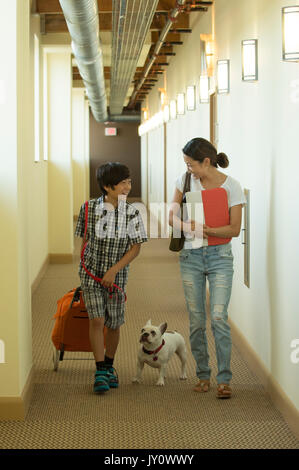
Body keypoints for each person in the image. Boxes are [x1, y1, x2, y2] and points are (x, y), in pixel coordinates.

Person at [169, 138, 246, 399]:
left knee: (218, 318)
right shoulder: (185, 181)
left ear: (206, 161)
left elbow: (234, 229)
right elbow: (171, 216)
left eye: (191, 164)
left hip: (220, 256)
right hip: (191, 256)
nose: (188, 169)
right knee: (196, 320)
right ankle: (203, 373)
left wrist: (208, 230)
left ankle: (224, 378)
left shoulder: (232, 187)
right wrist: (186, 226)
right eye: (186, 164)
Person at [75, 162, 147, 394]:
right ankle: (99, 370)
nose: (128, 186)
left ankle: (109, 365)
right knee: (96, 320)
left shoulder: (133, 212)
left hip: (117, 277)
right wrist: (87, 264)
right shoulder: (88, 209)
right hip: (91, 275)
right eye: (123, 182)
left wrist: (114, 270)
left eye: (129, 181)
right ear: (107, 186)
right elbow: (84, 240)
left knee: (113, 323)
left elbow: (135, 248)